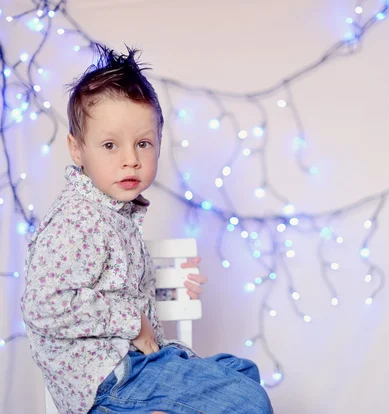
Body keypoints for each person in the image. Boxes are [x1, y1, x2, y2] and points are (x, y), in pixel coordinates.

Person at [20, 45, 273, 414]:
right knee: (248, 400)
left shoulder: (114, 214)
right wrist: (133, 321)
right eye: (110, 145)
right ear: (77, 150)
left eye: (143, 143)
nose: (130, 159)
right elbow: (44, 305)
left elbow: (113, 286)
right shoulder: (79, 220)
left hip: (137, 364)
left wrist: (169, 289)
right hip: (108, 380)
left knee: (242, 372)